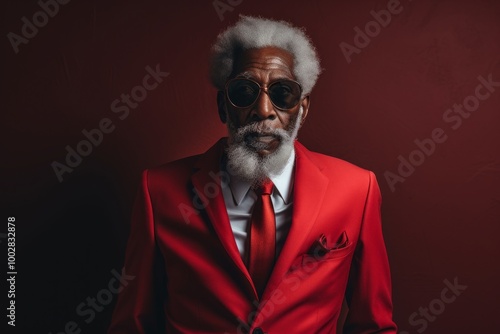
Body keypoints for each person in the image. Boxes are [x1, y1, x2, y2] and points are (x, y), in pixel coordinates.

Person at [108, 15, 397, 334]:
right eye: (245, 91)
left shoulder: (357, 190)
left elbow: (374, 325)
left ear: (302, 108)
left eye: (282, 93)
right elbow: (133, 324)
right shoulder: (159, 192)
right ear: (223, 106)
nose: (263, 110)